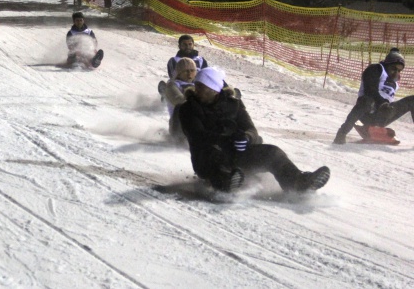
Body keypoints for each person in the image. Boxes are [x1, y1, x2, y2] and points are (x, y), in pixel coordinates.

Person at [178, 67, 330, 193]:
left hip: (237, 155)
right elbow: (197, 136)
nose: (196, 90)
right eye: (197, 86)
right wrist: (226, 138)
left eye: (201, 87)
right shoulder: (188, 109)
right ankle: (226, 182)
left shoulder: (234, 105)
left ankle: (298, 183)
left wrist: (246, 138)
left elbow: (250, 128)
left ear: (214, 89)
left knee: (272, 153)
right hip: (206, 158)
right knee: (215, 157)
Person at [333, 48, 413, 144]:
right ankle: (342, 133)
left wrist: (387, 107)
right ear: (387, 65)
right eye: (393, 69)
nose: (396, 72)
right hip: (367, 112)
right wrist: (382, 103)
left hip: (384, 114)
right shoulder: (376, 69)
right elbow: (370, 89)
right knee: (367, 100)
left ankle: (377, 126)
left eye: (399, 70)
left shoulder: (395, 82)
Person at [164, 58, 197, 142]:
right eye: (186, 71)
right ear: (179, 73)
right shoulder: (172, 85)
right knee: (181, 107)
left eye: (192, 70)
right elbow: (178, 100)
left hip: (197, 121)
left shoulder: (198, 84)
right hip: (179, 123)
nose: (189, 74)